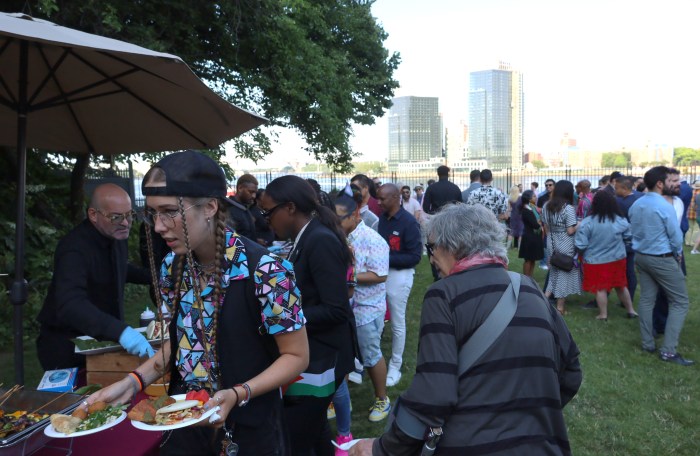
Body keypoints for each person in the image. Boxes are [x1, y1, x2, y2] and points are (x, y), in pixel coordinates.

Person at [87, 151, 309, 455]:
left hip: (250, 429)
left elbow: (297, 356)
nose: (158, 226)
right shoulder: (172, 268)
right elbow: (183, 341)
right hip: (183, 424)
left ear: (210, 207)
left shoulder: (267, 271)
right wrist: (134, 381)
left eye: (169, 211)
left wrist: (237, 393)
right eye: (152, 213)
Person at [349, 204, 582, 456]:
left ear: (453, 246)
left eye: (432, 248)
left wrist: (382, 448)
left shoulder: (443, 294)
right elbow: (571, 371)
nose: (432, 258)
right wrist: (526, 414)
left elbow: (434, 394)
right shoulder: (529, 287)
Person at [260, 175, 357, 455]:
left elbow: (336, 309)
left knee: (296, 440)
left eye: (269, 212)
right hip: (316, 354)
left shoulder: (320, 240)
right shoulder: (307, 237)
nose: (266, 219)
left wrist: (280, 318)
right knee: (314, 435)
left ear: (289, 208)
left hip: (324, 358)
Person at [37, 183, 153, 370]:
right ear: (93, 214)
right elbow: (70, 303)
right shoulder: (74, 249)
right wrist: (122, 332)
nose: (125, 223)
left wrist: (156, 277)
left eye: (129, 215)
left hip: (103, 342)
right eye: (116, 217)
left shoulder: (115, 236)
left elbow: (119, 269)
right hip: (67, 348)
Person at [334, 186, 391, 424]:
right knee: (342, 355)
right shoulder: (339, 237)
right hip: (345, 308)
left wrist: (348, 276)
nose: (335, 224)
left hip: (367, 309)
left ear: (355, 215)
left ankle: (383, 399)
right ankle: (337, 399)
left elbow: (381, 275)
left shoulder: (372, 240)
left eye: (339, 220)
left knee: (370, 355)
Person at [629, 166, 693, 366]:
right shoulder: (664, 206)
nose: (676, 185)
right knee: (680, 302)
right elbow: (675, 238)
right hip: (662, 258)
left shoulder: (637, 204)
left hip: (642, 256)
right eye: (672, 181)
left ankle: (648, 343)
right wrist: (678, 255)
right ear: (660, 184)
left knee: (647, 300)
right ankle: (668, 351)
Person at [377, 184, 422, 387]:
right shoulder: (382, 220)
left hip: (399, 276)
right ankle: (372, 360)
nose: (378, 202)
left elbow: (414, 257)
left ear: (396, 198)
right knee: (377, 318)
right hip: (380, 275)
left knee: (397, 322)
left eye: (383, 199)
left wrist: (384, 258)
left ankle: (395, 365)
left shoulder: (408, 222)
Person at [574, 191, 637, 321]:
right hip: (617, 259)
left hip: (595, 260)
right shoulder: (620, 220)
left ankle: (603, 314)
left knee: (600, 288)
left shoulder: (588, 222)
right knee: (621, 285)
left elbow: (581, 244)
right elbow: (628, 237)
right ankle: (631, 311)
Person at [542, 180, 581, 315]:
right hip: (565, 242)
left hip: (551, 241)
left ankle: (543, 300)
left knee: (553, 272)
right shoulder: (568, 208)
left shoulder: (546, 206)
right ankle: (560, 308)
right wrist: (580, 223)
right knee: (564, 273)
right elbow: (570, 230)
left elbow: (546, 227)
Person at [615, 176, 643, 300]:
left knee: (628, 271)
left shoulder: (623, 203)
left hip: (625, 240)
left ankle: (627, 298)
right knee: (629, 269)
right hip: (636, 239)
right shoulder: (639, 198)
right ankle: (628, 297)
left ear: (624, 188)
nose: (615, 191)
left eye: (616, 188)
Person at [227, 173, 268, 245]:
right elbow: (230, 241)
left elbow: (245, 235)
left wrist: (255, 241)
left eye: (255, 192)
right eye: (251, 192)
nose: (254, 196)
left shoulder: (244, 208)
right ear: (240, 188)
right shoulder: (229, 209)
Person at [518, 190, 544, 277]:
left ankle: (530, 278)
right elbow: (535, 225)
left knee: (533, 259)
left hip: (534, 237)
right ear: (529, 199)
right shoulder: (526, 210)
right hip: (529, 237)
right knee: (528, 259)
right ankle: (526, 278)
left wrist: (539, 223)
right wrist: (540, 223)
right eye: (533, 196)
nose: (536, 197)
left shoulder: (532, 208)